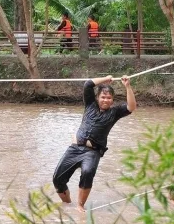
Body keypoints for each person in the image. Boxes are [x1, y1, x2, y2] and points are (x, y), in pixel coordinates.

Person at [52, 75, 137, 212]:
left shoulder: (115, 112)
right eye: (103, 97)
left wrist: (127, 86)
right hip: (74, 148)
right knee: (57, 179)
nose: (105, 100)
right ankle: (67, 204)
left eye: (109, 98)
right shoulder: (90, 104)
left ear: (112, 100)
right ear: (97, 98)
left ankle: (80, 205)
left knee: (87, 172)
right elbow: (88, 84)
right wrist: (105, 79)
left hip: (92, 152)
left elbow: (131, 107)